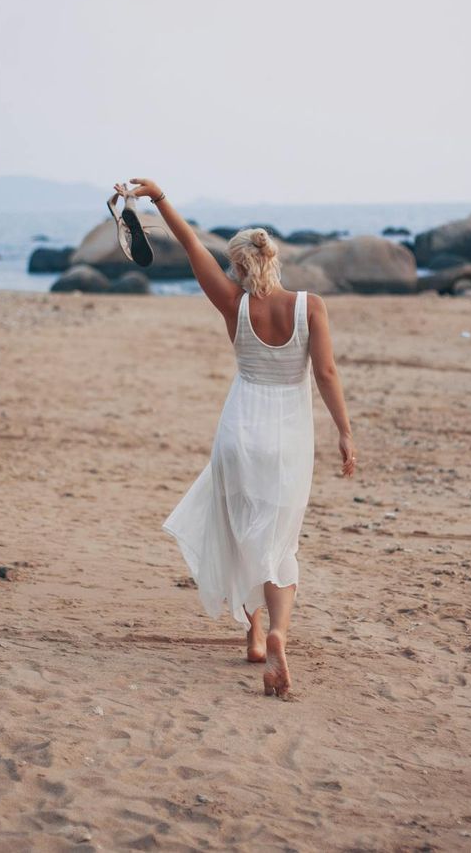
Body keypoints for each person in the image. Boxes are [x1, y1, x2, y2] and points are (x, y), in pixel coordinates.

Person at [121, 178, 355, 698]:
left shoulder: (233, 303)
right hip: (288, 436)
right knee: (279, 540)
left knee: (242, 531)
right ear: (273, 258)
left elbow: (188, 245)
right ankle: (276, 632)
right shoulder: (310, 306)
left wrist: (159, 199)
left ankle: (252, 633)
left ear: (239, 265)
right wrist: (344, 431)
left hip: (239, 433)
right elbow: (328, 373)